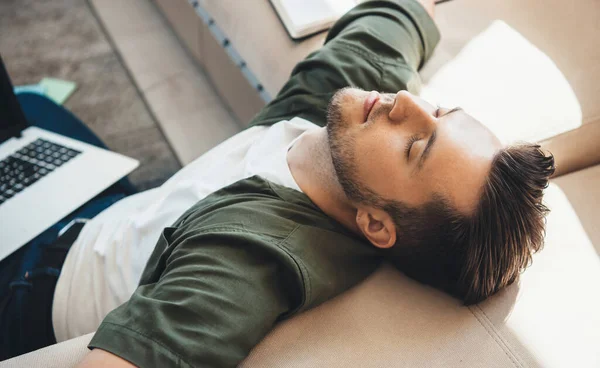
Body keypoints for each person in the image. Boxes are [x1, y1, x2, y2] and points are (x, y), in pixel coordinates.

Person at [4, 0, 556, 366]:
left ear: (375, 223)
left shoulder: (252, 258)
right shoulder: (344, 121)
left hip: (34, 289)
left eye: (415, 146)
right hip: (120, 213)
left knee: (20, 110)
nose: (407, 104)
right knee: (25, 109)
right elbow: (398, 16)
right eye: (440, 111)